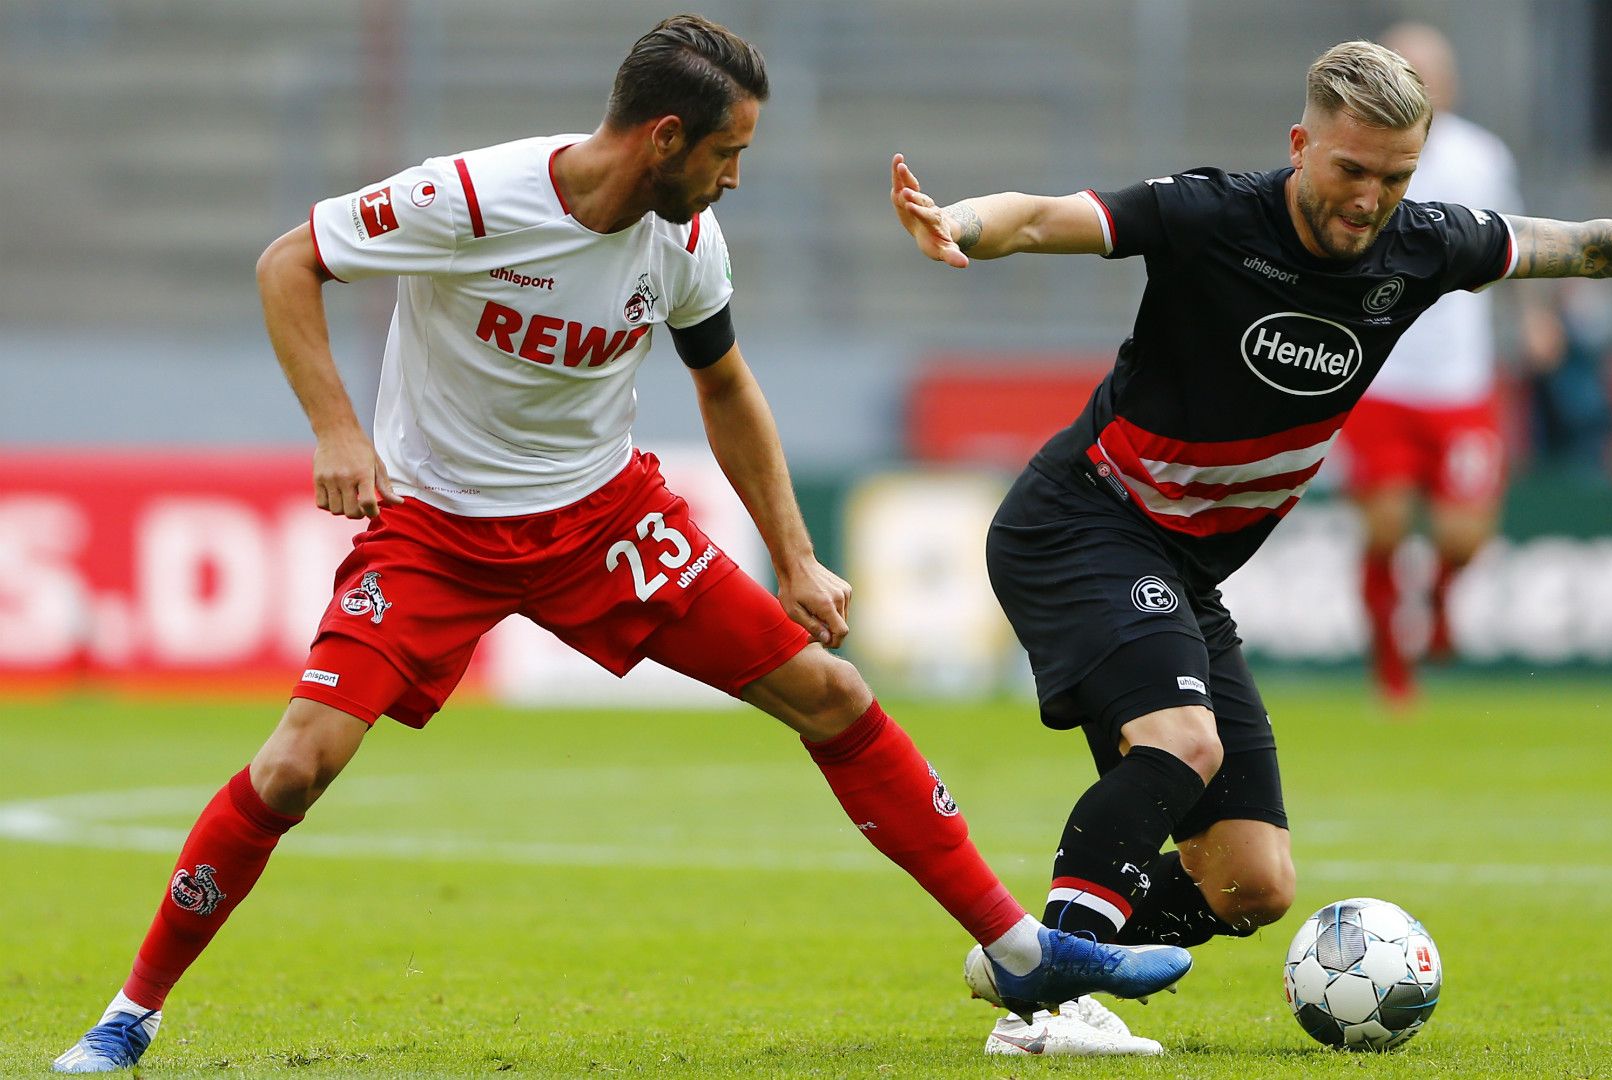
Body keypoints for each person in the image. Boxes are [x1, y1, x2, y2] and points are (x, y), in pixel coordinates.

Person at [50, 15, 1188, 1074]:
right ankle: (130, 1013)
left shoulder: (686, 237)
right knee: (295, 767)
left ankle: (1025, 955)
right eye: (727, 151)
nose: (734, 177)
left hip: (605, 523)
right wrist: (339, 431)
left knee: (832, 695)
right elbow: (284, 262)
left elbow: (726, 384)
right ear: (664, 137)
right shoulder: (471, 198)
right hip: (436, 533)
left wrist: (791, 554)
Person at [891, 39, 1612, 1056]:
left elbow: (1590, 245)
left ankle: (1033, 949)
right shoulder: (1212, 215)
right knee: (1182, 743)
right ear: (1302, 145)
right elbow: (1045, 217)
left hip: (1185, 569)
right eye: (1350, 169)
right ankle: (1059, 999)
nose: (1369, 199)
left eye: (1396, 177)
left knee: (1251, 882)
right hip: (1085, 520)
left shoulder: (1422, 246)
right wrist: (963, 225)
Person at [1339, 22, 1535, 706]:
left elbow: (1518, 242)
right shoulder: (1361, 153)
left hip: (1461, 381)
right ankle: (1391, 669)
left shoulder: (1483, 156)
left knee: (1464, 535)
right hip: (1382, 376)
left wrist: (1534, 317)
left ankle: (1443, 606)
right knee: (1387, 526)